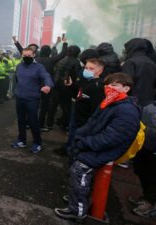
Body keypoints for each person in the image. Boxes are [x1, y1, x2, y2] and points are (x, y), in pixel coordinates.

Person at [54, 73, 141, 222]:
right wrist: (79, 136)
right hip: (96, 144)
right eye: (107, 85)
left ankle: (78, 211)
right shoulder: (111, 102)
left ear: (126, 88)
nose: (109, 88)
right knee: (76, 167)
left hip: (106, 149)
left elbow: (111, 138)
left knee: (79, 169)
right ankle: (79, 199)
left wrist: (84, 142)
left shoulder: (127, 110)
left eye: (114, 85)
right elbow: (93, 123)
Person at [11, 47, 53, 153]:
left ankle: (37, 143)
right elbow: (17, 80)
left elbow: (46, 76)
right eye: (24, 56)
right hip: (20, 97)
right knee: (21, 120)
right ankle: (22, 140)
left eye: (29, 56)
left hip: (32, 99)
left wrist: (48, 86)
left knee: (33, 121)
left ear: (34, 55)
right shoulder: (19, 66)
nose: (26, 57)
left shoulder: (39, 67)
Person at [121, 38, 156, 107]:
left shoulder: (130, 62)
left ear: (132, 47)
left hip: (133, 100)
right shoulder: (151, 63)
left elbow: (125, 82)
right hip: (149, 101)